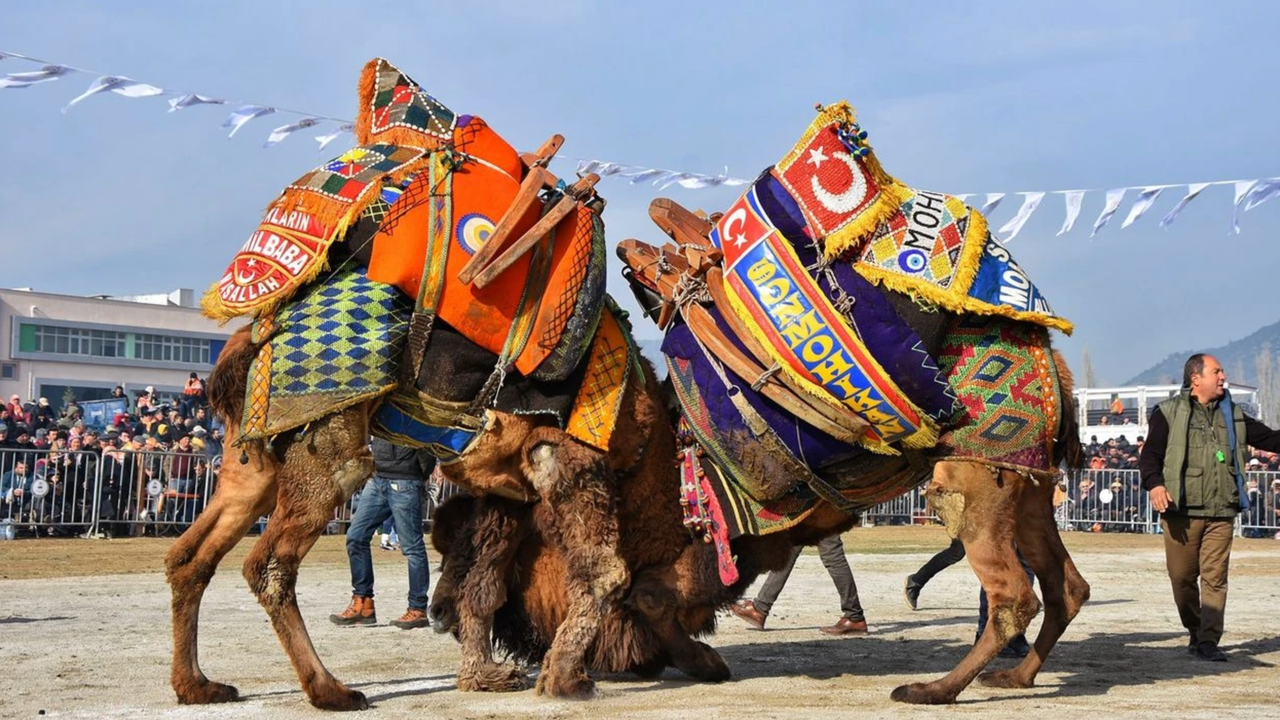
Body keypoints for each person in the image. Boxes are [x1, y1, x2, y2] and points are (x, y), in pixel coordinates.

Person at [1138, 353, 1280, 662]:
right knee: (1182, 578)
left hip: (1221, 510)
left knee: (1215, 578)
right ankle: (1195, 628)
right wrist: (1155, 484)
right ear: (1195, 378)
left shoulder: (1234, 415)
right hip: (1181, 511)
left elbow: (1270, 439)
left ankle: (1208, 641)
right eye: (1217, 371)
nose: (1223, 376)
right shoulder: (1167, 413)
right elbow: (1149, 456)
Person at [330, 437, 436, 629]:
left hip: (406, 480)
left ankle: (418, 608)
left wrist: (414, 472)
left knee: (412, 547)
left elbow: (428, 446)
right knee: (356, 537)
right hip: (377, 478)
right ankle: (363, 603)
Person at [729, 534, 869, 635]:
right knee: (791, 547)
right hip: (819, 506)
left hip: (820, 506)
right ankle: (760, 608)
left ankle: (854, 616)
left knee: (831, 553)